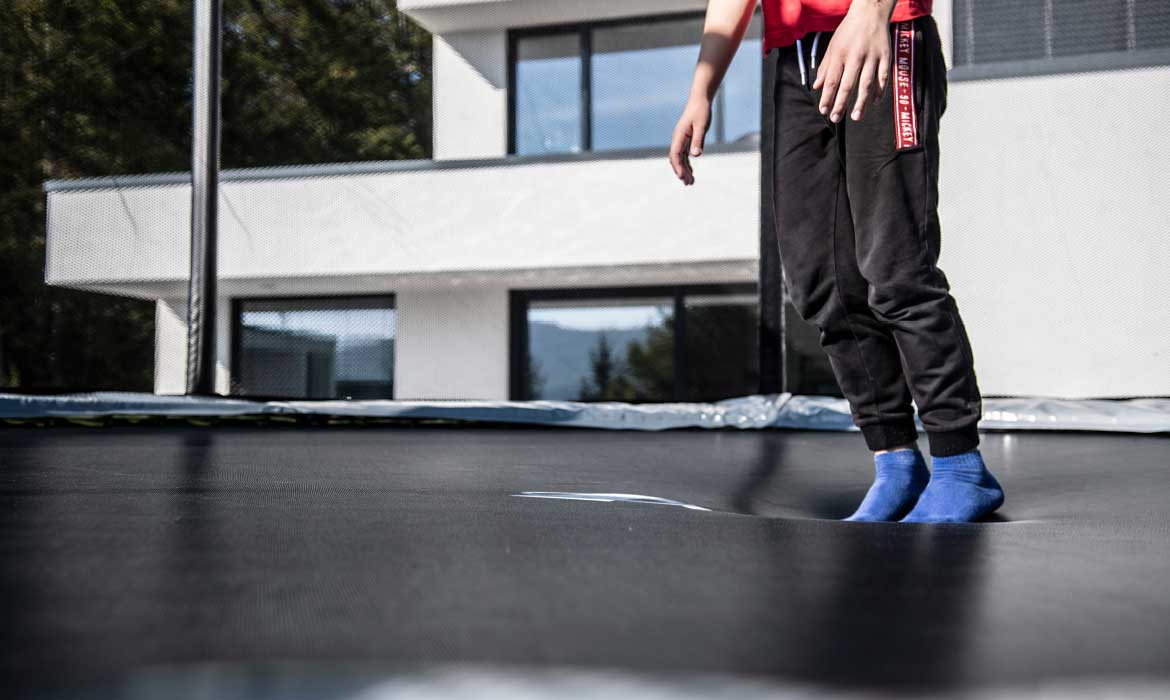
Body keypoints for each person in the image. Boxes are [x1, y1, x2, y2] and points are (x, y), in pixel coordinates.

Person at [669, 0, 1004, 523]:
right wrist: (701, 90)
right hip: (793, 59)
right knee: (822, 280)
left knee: (896, 268)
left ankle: (960, 467)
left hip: (883, 29)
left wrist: (871, 13)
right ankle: (895, 462)